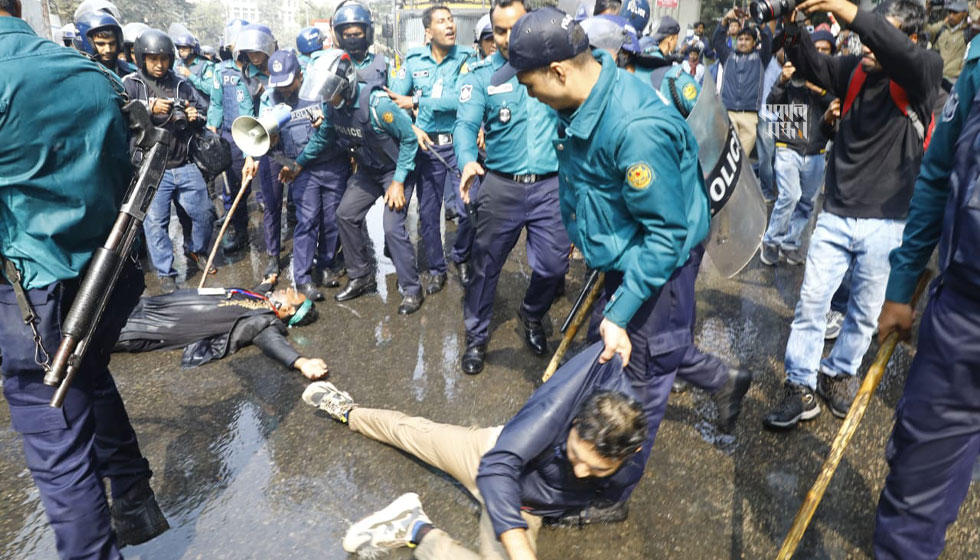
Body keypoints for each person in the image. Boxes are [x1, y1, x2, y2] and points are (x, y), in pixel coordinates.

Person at [0, 1, 169, 555]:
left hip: (32, 289)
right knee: (89, 375)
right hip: (105, 274)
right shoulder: (90, 74)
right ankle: (135, 498)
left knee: (56, 443)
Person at [763, 0, 942, 430]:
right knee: (811, 303)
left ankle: (838, 374)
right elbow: (808, 63)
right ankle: (800, 384)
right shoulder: (856, 70)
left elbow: (892, 47)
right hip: (837, 212)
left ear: (909, 38)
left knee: (863, 313)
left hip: (887, 220)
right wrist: (787, 26)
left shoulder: (925, 70)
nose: (868, 41)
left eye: (883, 32)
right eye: (869, 31)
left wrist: (851, 11)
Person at [302, 343, 649, 559]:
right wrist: (519, 551)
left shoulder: (631, 460)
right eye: (575, 456)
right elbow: (499, 465)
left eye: (597, 469)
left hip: (524, 506)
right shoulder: (562, 402)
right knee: (412, 432)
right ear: (575, 423)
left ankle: (414, 529)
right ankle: (347, 409)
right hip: (492, 454)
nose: (580, 472)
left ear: (626, 456)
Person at [871, 34, 980, 560]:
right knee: (919, 479)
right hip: (965, 314)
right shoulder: (977, 68)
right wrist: (901, 287)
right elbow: (937, 176)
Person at [453, 0, 571, 374]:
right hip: (500, 186)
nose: (505, 39)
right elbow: (465, 126)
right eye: (499, 30)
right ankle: (476, 337)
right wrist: (468, 159)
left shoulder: (557, 70)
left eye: (514, 28)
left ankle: (532, 314)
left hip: (550, 187)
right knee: (484, 266)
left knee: (554, 267)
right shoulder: (481, 77)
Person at [280, 50, 426, 315]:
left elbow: (409, 139)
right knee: (345, 214)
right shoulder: (332, 107)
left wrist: (399, 181)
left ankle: (412, 289)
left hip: (394, 171)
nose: (326, 98)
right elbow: (323, 138)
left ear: (345, 83)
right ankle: (361, 276)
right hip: (369, 170)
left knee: (392, 228)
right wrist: (298, 165)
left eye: (330, 92)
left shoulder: (377, 104)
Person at [245, 49, 351, 300]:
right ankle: (302, 279)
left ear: (300, 75)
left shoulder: (319, 91)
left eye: (288, 83)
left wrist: (328, 120)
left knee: (331, 220)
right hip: (302, 170)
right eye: (278, 84)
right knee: (307, 221)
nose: (283, 90)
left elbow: (342, 119)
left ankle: (325, 267)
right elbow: (260, 135)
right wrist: (269, 142)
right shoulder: (271, 99)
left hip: (333, 164)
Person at [388, 5, 478, 297]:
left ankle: (461, 256)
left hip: (458, 145)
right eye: (442, 21)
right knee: (429, 216)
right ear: (428, 32)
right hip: (426, 149)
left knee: (468, 210)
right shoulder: (414, 61)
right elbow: (392, 101)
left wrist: (417, 103)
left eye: (451, 20)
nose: (450, 26)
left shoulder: (466, 58)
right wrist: (411, 126)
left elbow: (461, 101)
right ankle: (438, 270)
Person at [122, 30, 215, 293]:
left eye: (164, 59)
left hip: (184, 162)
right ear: (141, 58)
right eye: (152, 59)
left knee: (204, 213)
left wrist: (196, 115)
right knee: (156, 224)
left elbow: (203, 112)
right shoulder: (131, 82)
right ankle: (166, 272)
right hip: (153, 167)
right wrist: (147, 108)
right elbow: (121, 112)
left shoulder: (181, 84)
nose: (159, 64)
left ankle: (195, 250)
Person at [114, 287, 328, 379]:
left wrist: (301, 362)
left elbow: (272, 343)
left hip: (150, 326)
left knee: (100, 330)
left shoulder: (265, 321)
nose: (287, 290)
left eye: (292, 295)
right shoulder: (259, 300)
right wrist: (267, 282)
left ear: (289, 310)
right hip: (153, 305)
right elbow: (244, 295)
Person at [759, 33, 835, 267]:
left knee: (806, 203)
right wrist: (782, 80)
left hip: (816, 148)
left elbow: (838, 104)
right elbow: (772, 104)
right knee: (790, 195)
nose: (820, 53)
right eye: (817, 48)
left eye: (826, 49)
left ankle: (790, 243)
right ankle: (771, 241)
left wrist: (819, 89)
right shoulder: (795, 71)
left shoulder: (833, 76)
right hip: (789, 144)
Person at [207, 21, 272, 253]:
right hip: (232, 136)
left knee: (268, 186)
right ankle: (240, 232)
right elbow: (215, 103)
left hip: (262, 135)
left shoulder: (261, 71)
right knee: (236, 188)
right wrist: (212, 130)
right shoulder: (221, 70)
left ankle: (274, 237)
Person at [712, 10, 774, 159]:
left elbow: (768, 41)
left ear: (754, 42)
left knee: (742, 161)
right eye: (740, 39)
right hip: (728, 114)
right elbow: (717, 40)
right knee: (727, 158)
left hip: (750, 116)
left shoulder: (760, 58)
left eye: (747, 39)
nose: (743, 42)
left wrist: (759, 20)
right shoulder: (728, 56)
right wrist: (726, 19)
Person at [332, 1, 390, 88]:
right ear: (340, 37)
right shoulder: (333, 66)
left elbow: (397, 96)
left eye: (357, 34)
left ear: (368, 34)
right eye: (347, 35)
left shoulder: (384, 64)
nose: (352, 40)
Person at [924, 1, 971, 90]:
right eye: (950, 12)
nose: (951, 15)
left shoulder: (968, 33)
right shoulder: (942, 27)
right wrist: (927, 12)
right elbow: (924, 30)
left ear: (964, 13)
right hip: (933, 78)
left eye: (955, 12)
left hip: (952, 82)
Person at [74, 10, 130, 76]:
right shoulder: (77, 74)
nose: (108, 50)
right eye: (101, 44)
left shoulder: (128, 71)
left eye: (112, 43)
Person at [172, 27, 214, 111]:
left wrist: (190, 75)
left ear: (193, 49)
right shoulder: (176, 65)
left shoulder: (206, 65)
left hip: (201, 111)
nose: (181, 51)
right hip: (182, 110)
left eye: (185, 48)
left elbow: (211, 89)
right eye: (179, 48)